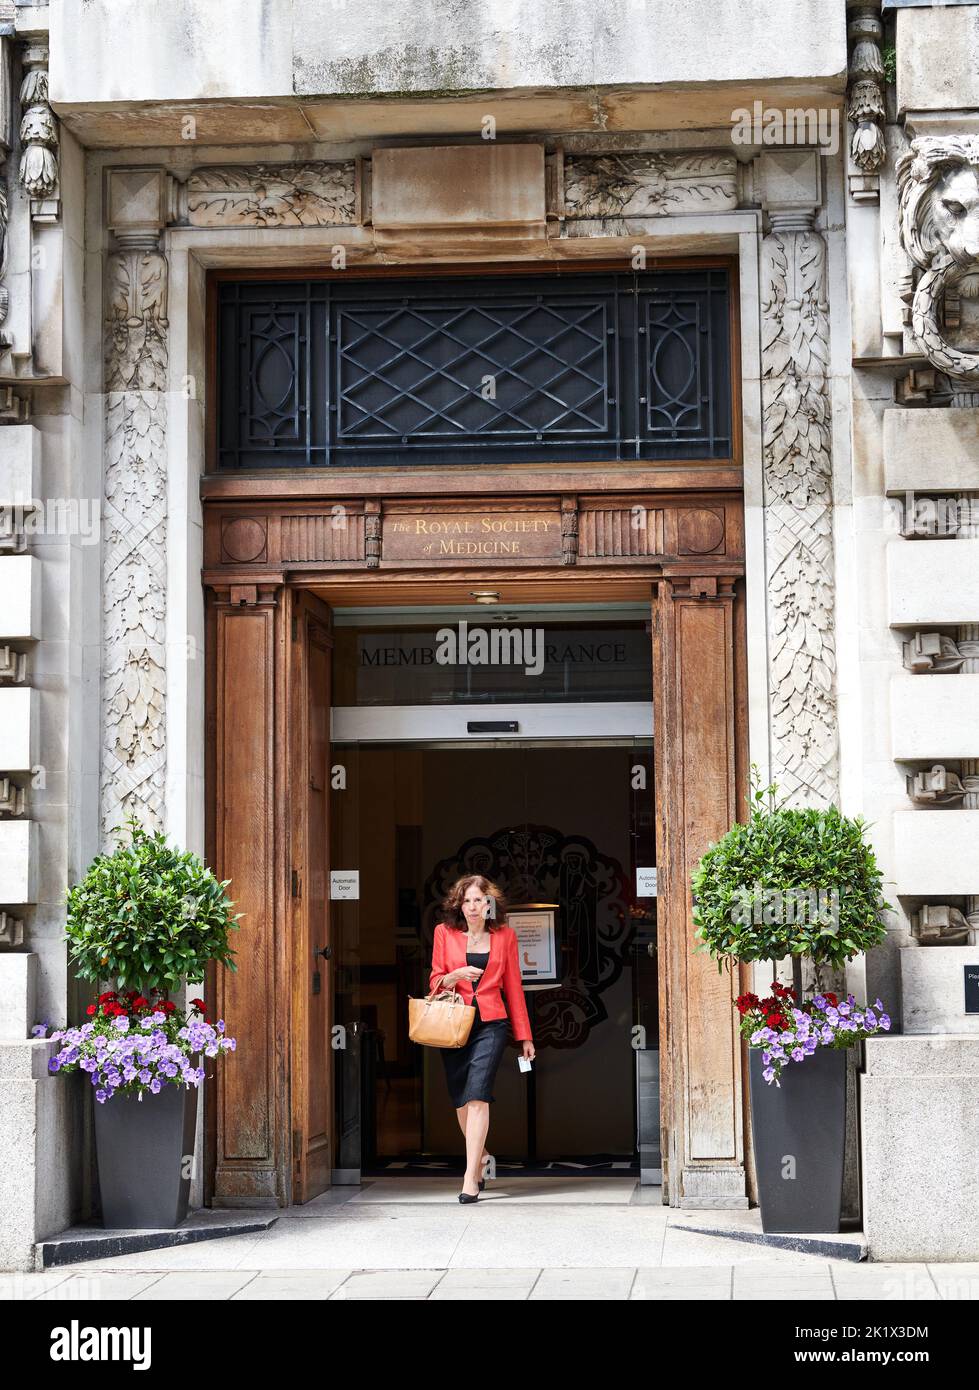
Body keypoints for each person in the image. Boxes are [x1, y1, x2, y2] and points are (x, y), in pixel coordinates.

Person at [429, 874, 535, 1202]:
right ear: (459, 905)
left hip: (492, 1022)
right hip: (455, 1022)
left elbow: (514, 988)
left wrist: (524, 1036)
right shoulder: (444, 934)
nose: (474, 906)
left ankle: (470, 1176)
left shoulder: (504, 936)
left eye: (479, 900)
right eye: (468, 901)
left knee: (478, 1095)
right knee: (461, 1098)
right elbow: (433, 982)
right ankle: (483, 1155)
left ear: (489, 904)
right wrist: (455, 975)